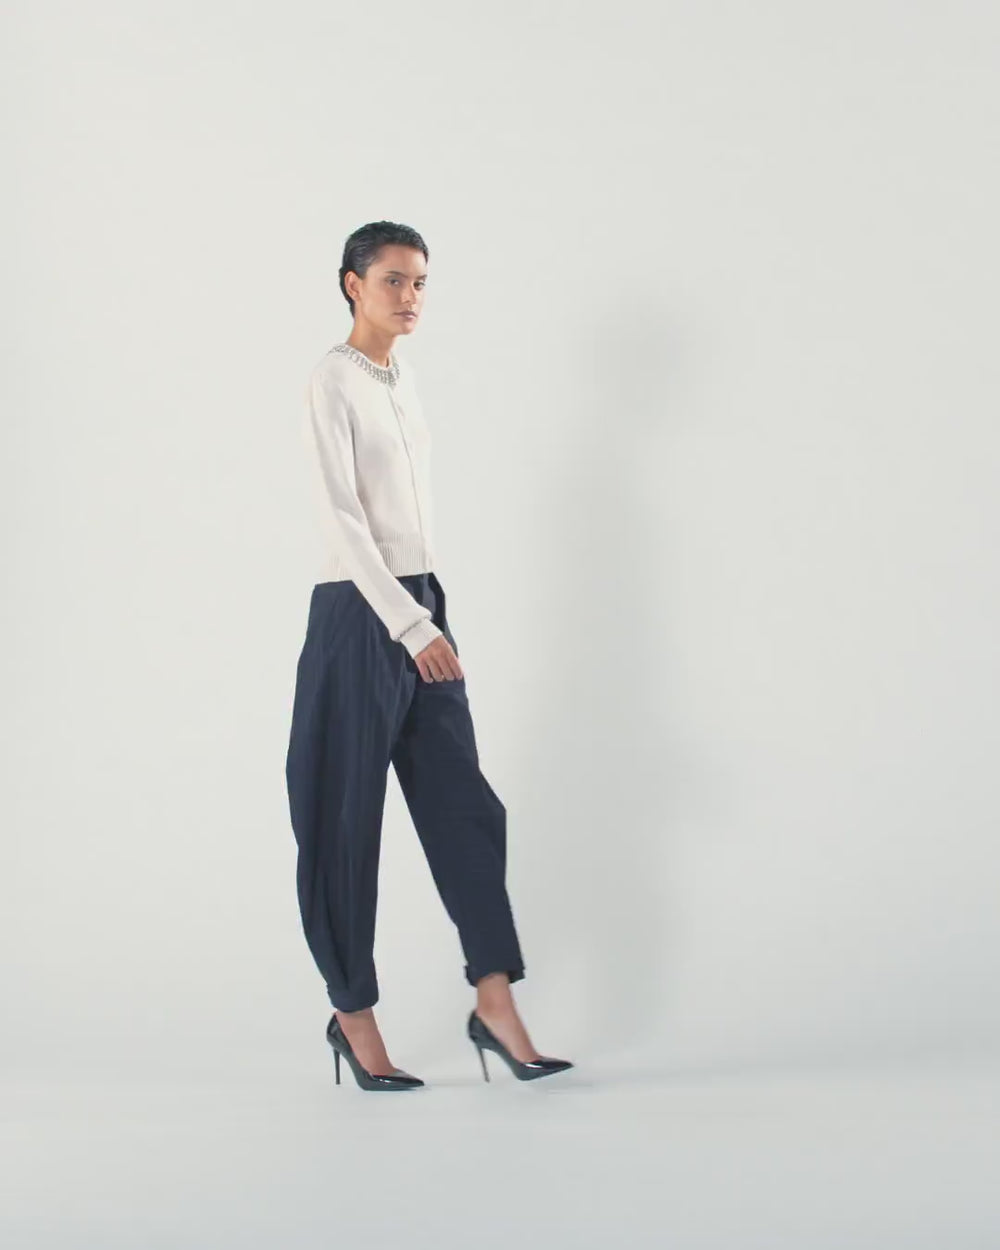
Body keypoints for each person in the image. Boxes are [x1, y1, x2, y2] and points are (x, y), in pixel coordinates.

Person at [285, 221, 573, 1090]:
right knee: (342, 820)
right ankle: (352, 1015)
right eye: (393, 281)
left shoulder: (403, 378)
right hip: (358, 614)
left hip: (421, 598)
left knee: (465, 808)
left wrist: (426, 613)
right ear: (352, 284)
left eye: (419, 283)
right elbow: (341, 518)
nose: (409, 297)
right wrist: (411, 626)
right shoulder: (331, 379)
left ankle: (494, 1002)